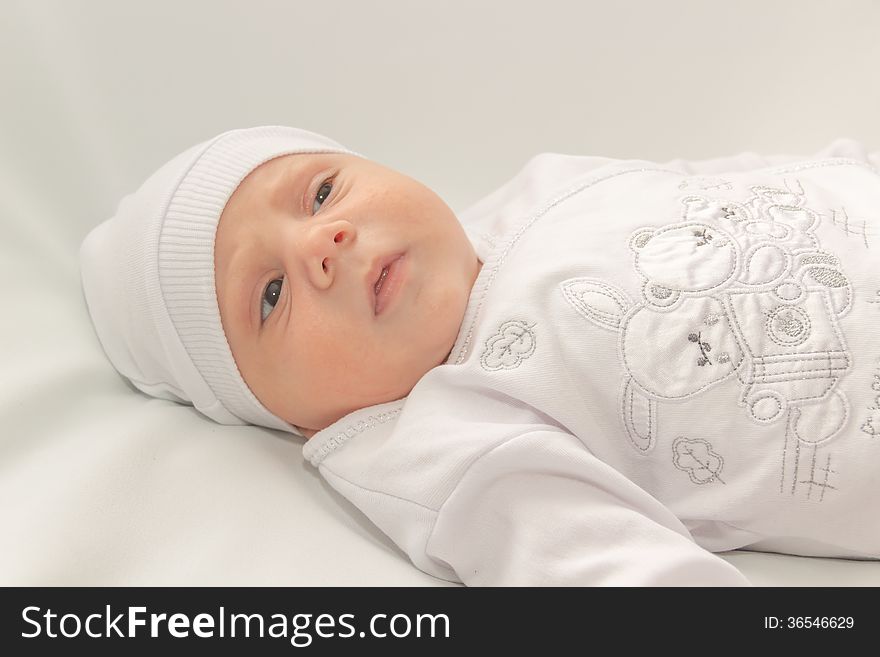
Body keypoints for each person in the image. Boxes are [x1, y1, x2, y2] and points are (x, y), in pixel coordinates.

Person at [80, 126, 880, 585]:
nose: (321, 244)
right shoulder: (446, 438)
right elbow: (610, 573)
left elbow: (726, 187)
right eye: (269, 296)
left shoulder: (541, 190)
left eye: (321, 192)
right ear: (280, 414)